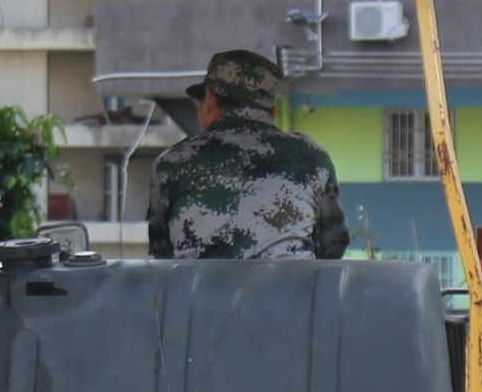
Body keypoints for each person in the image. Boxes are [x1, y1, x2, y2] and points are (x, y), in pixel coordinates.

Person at [149, 49, 348, 261]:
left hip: (200, 293)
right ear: (273, 111)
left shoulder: (171, 164)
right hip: (287, 292)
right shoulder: (312, 157)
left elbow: (162, 254)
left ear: (210, 100)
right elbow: (334, 244)